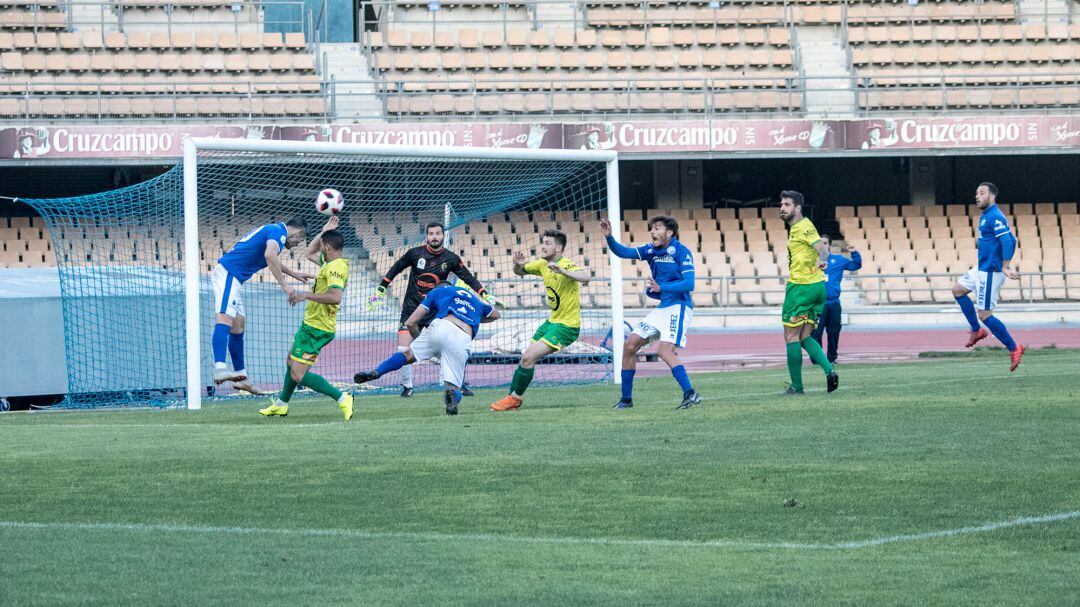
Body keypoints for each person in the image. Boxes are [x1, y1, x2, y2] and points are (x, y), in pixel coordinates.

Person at [366, 221, 497, 398]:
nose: (434, 237)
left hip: (435, 310)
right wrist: (381, 289)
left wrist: (485, 294)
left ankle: (456, 384)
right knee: (403, 348)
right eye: (431, 234)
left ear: (443, 236)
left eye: (437, 233)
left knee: (448, 346)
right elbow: (395, 268)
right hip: (412, 308)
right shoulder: (415, 254)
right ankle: (407, 387)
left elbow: (467, 277)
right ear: (426, 236)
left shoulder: (450, 258)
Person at [600, 214, 701, 410]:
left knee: (664, 350)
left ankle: (691, 394)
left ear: (670, 232)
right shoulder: (650, 250)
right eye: (652, 228)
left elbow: (690, 284)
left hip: (679, 307)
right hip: (663, 308)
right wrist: (609, 237)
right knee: (629, 346)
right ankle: (626, 400)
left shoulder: (681, 251)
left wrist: (661, 287)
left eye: (657, 228)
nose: (652, 231)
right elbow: (623, 252)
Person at [355, 281, 500, 415]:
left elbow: (411, 322)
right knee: (453, 386)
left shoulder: (437, 292)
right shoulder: (475, 300)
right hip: (462, 337)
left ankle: (377, 372)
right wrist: (474, 317)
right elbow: (496, 315)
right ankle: (451, 397)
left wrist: (420, 341)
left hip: (442, 326)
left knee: (407, 354)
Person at [258, 221, 354, 420]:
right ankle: (281, 404)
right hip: (311, 324)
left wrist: (306, 296)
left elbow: (335, 297)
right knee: (290, 361)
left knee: (298, 375)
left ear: (327, 248)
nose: (319, 248)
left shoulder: (336, 267)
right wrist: (324, 231)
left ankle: (343, 398)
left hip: (317, 328)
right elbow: (310, 253)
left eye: (323, 246)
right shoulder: (329, 263)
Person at [490, 229, 591, 411]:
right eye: (543, 242)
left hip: (567, 327)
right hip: (551, 322)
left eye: (548, 243)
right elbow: (519, 271)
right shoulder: (543, 264)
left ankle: (514, 399)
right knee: (526, 357)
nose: (543, 246)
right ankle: (512, 398)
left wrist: (563, 271)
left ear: (559, 248)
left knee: (528, 357)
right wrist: (517, 264)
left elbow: (586, 277)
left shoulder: (566, 265)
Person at [212, 216, 311, 393]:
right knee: (225, 319)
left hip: (235, 278)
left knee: (238, 325)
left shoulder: (275, 231)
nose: (297, 244)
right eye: (300, 240)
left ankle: (241, 377)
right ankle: (219, 369)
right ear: (300, 232)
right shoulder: (279, 233)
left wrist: (293, 274)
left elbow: (272, 258)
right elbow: (269, 255)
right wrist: (285, 285)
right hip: (229, 273)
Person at [952, 182, 1024, 371]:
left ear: (992, 196)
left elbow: (1008, 241)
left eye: (982, 193)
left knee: (985, 314)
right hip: (981, 268)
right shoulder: (987, 216)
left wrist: (1005, 265)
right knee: (958, 291)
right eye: (976, 193)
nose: (977, 196)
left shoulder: (994, 216)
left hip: (990, 272)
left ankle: (1014, 347)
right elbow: (1013, 238)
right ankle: (976, 331)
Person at [779, 191, 839, 395]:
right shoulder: (797, 228)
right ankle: (830, 370)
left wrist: (822, 259)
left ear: (797, 208)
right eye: (782, 204)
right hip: (816, 288)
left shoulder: (804, 226)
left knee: (790, 336)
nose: (782, 207)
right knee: (804, 336)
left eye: (787, 204)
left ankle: (797, 386)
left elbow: (822, 248)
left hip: (801, 288)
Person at [810, 235, 862, 364]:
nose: (823, 245)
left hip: (833, 303)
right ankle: (817, 359)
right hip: (816, 305)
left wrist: (854, 252)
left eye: (825, 243)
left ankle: (832, 359)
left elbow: (856, 265)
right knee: (815, 333)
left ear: (829, 245)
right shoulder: (811, 261)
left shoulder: (838, 260)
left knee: (833, 332)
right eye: (820, 243)